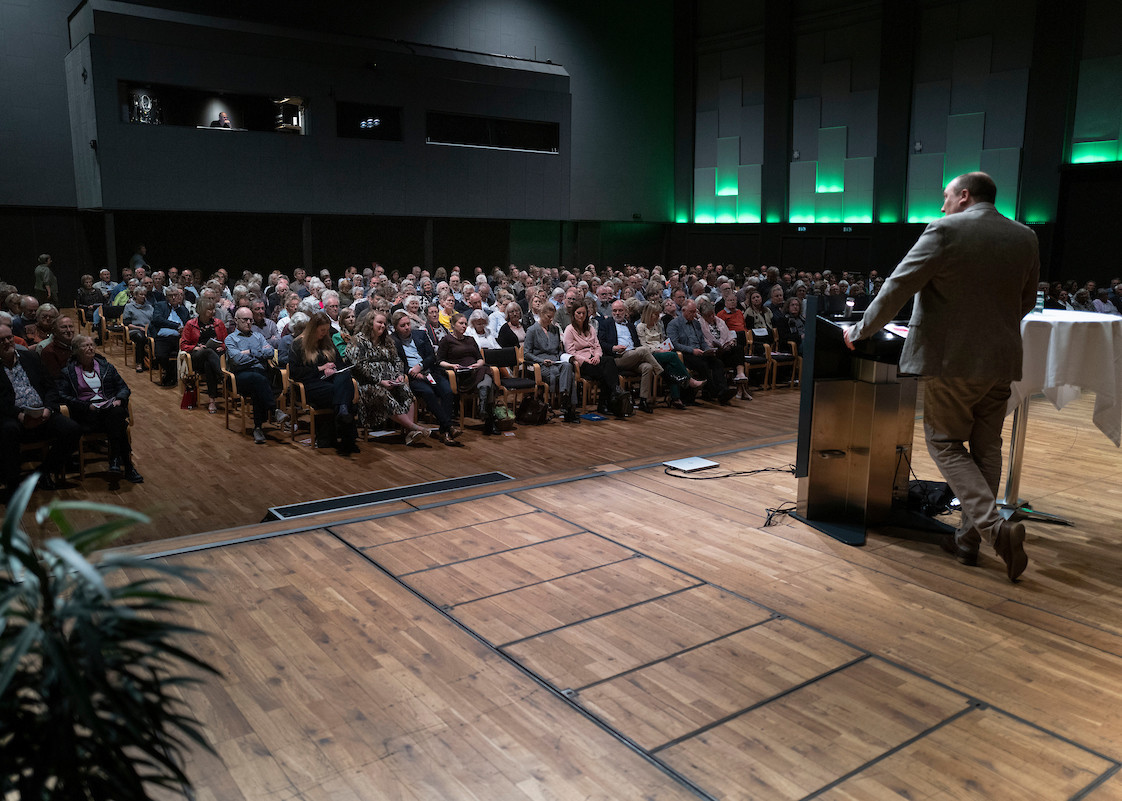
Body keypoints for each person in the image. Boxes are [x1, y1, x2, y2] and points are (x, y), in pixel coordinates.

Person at [844, 171, 1038, 582]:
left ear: (964, 196)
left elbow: (897, 286)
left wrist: (860, 330)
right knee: (986, 447)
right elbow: (1025, 300)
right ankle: (967, 540)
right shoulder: (1026, 237)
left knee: (945, 442)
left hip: (952, 361)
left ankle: (995, 530)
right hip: (1002, 360)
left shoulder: (945, 230)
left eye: (946, 196)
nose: (941, 204)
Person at [0, 323, 82, 498]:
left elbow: (50, 387)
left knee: (72, 429)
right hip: (13, 416)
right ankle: (12, 483)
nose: (7, 342)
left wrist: (48, 409)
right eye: (1, 340)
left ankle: (43, 472)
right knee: (8, 431)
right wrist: (19, 415)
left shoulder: (30, 357)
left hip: (42, 412)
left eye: (9, 338)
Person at [57, 335, 143, 483]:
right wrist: (86, 406)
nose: (90, 348)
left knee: (116, 413)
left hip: (109, 409)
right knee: (119, 423)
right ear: (76, 350)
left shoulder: (106, 367)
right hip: (87, 414)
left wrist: (119, 399)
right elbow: (62, 396)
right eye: (85, 345)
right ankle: (125, 466)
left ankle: (116, 461)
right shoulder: (68, 372)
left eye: (92, 345)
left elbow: (123, 388)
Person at [348, 310, 430, 445]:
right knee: (384, 395)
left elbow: (397, 360)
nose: (382, 326)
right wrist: (380, 381)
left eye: (384, 323)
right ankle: (414, 428)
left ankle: (410, 433)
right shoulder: (358, 341)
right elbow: (359, 366)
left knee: (406, 392)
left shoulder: (387, 340)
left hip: (391, 380)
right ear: (370, 323)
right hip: (369, 383)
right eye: (379, 322)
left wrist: (399, 375)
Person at [390, 310, 462, 447]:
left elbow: (431, 356)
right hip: (412, 376)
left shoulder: (420, 334)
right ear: (395, 327)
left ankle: (445, 431)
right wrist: (411, 372)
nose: (407, 327)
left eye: (408, 324)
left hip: (429, 371)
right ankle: (448, 428)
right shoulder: (392, 341)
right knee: (428, 392)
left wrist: (421, 366)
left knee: (447, 391)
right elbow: (395, 362)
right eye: (402, 325)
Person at [290, 311, 358, 453]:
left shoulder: (328, 342)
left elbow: (340, 364)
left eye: (327, 330)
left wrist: (333, 368)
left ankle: (342, 412)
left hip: (331, 380)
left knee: (345, 376)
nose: (325, 333)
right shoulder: (298, 344)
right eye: (322, 330)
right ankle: (347, 436)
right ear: (313, 329)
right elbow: (295, 373)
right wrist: (320, 368)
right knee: (342, 394)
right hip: (310, 383)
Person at [224, 308, 287, 444]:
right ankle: (274, 410)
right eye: (245, 320)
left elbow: (270, 353)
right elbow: (237, 360)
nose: (248, 322)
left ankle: (258, 428)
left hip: (260, 375)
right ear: (236, 320)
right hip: (240, 376)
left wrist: (249, 352)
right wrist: (258, 354)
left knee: (258, 384)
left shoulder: (258, 336)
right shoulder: (230, 339)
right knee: (258, 380)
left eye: (250, 320)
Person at [436, 312, 498, 435]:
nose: (464, 326)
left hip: (475, 369)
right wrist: (451, 366)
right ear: (453, 325)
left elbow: (480, 358)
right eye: (461, 323)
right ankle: (489, 419)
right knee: (488, 377)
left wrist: (478, 364)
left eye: (465, 323)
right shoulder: (447, 340)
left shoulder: (470, 339)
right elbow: (439, 361)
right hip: (461, 375)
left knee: (485, 370)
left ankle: (483, 407)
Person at [599, 300, 664, 414]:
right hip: (617, 358)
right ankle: (661, 372)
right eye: (614, 311)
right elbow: (601, 342)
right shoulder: (606, 324)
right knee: (643, 350)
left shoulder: (630, 325)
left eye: (620, 310)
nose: (617, 313)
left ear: (626, 311)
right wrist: (614, 348)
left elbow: (637, 343)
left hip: (633, 355)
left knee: (647, 367)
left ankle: (643, 401)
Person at [667, 300, 736, 405]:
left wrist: (708, 350)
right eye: (691, 312)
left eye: (695, 311)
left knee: (717, 363)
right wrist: (692, 350)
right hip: (685, 353)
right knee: (702, 365)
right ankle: (715, 392)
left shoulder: (696, 323)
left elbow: (702, 341)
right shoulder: (674, 324)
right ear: (683, 311)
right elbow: (674, 344)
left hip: (699, 352)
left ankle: (723, 390)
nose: (694, 314)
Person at [564, 302, 624, 418]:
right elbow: (570, 352)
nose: (581, 316)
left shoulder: (590, 328)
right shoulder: (569, 329)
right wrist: (586, 360)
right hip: (581, 363)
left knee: (608, 362)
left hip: (594, 359)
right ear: (573, 314)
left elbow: (597, 346)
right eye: (578, 313)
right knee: (607, 371)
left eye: (584, 313)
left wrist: (597, 356)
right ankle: (613, 397)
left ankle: (612, 397)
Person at [524, 303, 578, 423]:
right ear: (541, 314)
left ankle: (564, 396)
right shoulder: (532, 330)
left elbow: (558, 351)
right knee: (570, 376)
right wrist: (542, 361)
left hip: (555, 360)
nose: (551, 319)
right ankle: (569, 409)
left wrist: (565, 357)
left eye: (552, 317)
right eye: (548, 317)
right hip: (541, 363)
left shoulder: (554, 329)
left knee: (568, 365)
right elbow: (526, 354)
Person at [180, 297, 227, 414]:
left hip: (214, 357)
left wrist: (222, 346)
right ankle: (223, 376)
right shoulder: (190, 324)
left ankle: (212, 401)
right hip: (197, 358)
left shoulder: (218, 323)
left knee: (208, 364)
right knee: (207, 352)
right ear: (201, 310)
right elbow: (183, 345)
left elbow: (226, 341)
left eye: (213, 309)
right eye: (210, 309)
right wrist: (195, 347)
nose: (213, 312)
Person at [149, 286, 192, 386]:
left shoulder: (183, 310)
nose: (173, 298)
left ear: (179, 296)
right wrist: (176, 326)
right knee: (160, 356)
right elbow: (157, 319)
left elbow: (188, 324)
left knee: (189, 353)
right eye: (170, 296)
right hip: (163, 338)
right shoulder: (160, 306)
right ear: (166, 297)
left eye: (175, 295)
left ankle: (176, 375)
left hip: (179, 338)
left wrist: (184, 330)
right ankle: (171, 372)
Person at [122, 286, 155, 372]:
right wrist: (139, 327)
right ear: (135, 295)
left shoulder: (149, 307)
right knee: (140, 338)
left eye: (144, 295)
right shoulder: (129, 306)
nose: (143, 296)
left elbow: (153, 320)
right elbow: (127, 324)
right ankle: (139, 363)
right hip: (135, 329)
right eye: (141, 294)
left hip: (148, 329)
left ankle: (154, 361)